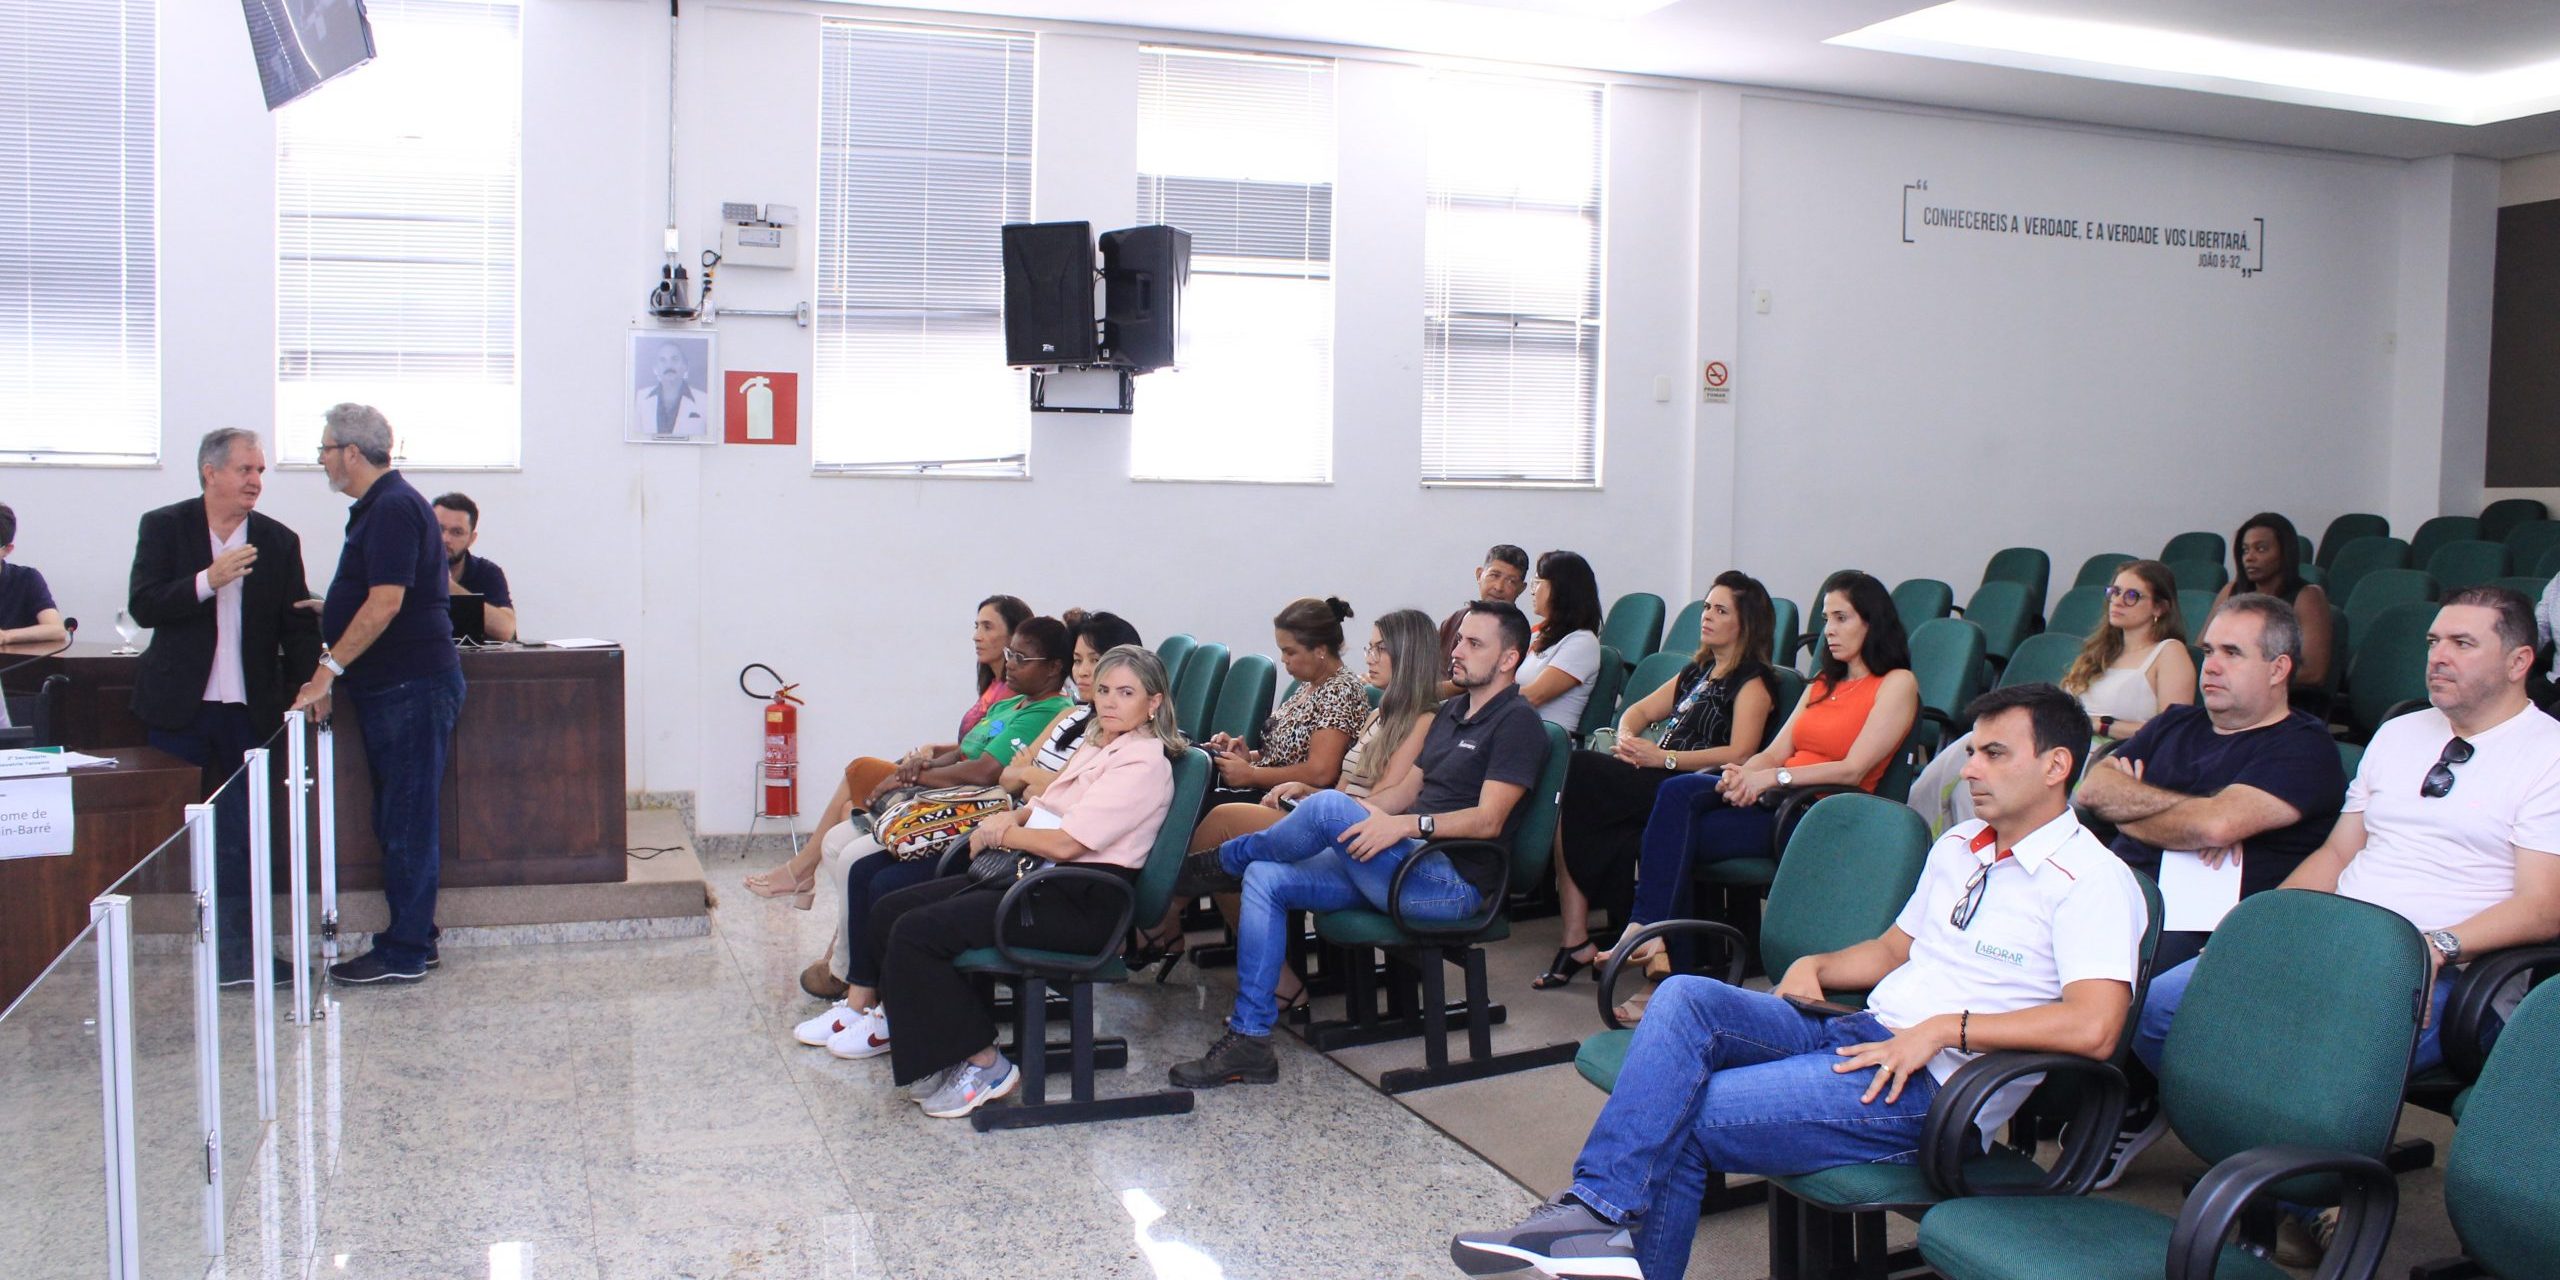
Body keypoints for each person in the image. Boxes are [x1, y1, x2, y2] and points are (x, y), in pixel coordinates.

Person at [1451, 683, 2146, 1280]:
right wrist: (1818, 967)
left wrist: (1943, 1030)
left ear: (2056, 766)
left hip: (1935, 1092)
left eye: (1994, 754)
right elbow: (1893, 950)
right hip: (1864, 1034)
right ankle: (1598, 1216)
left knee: (1684, 1114)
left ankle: (1599, 1223)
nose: (1970, 769)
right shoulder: (1962, 846)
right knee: (1687, 997)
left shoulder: (2093, 881)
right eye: (1972, 752)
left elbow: (2096, 1026)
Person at [2134, 587, 2560, 1265]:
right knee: (2162, 1009)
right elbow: (2337, 854)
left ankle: (2296, 1188)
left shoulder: (2548, 754)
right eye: (2433, 642)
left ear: (2518, 661)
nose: (2438, 656)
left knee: (2299, 1048)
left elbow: (2543, 907)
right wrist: (2259, 929)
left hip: (2451, 971)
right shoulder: (2400, 732)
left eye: (2462, 643)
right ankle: (2305, 1189)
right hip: (2337, 941)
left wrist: (2434, 947)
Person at [1167, 600, 1552, 1089]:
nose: (1457, 651)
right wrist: (1362, 814)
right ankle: (1251, 1038)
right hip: (1402, 865)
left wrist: (1403, 827)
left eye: (1474, 644)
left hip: (1450, 884)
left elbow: (1488, 820)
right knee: (1266, 876)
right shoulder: (1453, 712)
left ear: (1509, 659)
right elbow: (1401, 793)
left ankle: (1218, 863)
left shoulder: (1517, 722)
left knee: (1325, 809)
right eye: (1459, 640)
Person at [2071, 594, 2346, 1189]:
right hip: (2120, 890)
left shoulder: (2304, 747)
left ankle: (2139, 1098)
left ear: (2278, 668)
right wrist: (2186, 820)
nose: (2211, 666)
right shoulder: (2176, 723)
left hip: (2208, 925)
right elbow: (2092, 790)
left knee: (2129, 974)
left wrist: (2140, 810)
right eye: (2208, 651)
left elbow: (2216, 826)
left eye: (2232, 653)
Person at [857, 644, 1185, 1118]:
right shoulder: (1101, 742)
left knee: (916, 932)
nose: (1110, 701)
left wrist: (1003, 832)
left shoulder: (1143, 764)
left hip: (1081, 903)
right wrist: (1012, 818)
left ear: (1153, 702)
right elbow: (1048, 804)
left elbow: (1069, 843)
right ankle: (948, 1050)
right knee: (891, 910)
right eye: (1105, 690)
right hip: (1040, 880)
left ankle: (984, 1064)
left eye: (1126, 693)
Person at [792, 613, 1130, 1059]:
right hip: (1014, 837)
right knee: (872, 876)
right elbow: (1014, 778)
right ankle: (864, 1001)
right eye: (1080, 661)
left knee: (891, 893)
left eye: (1096, 663)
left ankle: (934, 1034)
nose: (1085, 673)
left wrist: (1028, 788)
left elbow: (1045, 793)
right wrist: (1032, 784)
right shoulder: (1074, 721)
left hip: (1038, 867)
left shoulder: (1119, 747)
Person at [1604, 571, 1919, 990]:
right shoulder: (1823, 683)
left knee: (1673, 835)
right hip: (1776, 797)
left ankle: (1662, 954)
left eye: (1841, 618)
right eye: (1826, 619)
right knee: (1676, 795)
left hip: (1818, 813)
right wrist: (1742, 775)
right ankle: (1654, 938)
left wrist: (1773, 777)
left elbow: (1853, 769)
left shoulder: (1897, 683)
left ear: (1872, 621)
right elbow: (1774, 751)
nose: (1829, 630)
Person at [1142, 608, 1446, 999]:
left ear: (1408, 654)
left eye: (1380, 649)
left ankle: (1164, 917)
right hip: (1329, 817)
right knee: (1226, 841)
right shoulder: (1380, 713)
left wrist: (1302, 791)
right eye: (1369, 648)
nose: (1369, 657)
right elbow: (1342, 785)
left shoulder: (1423, 721)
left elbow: (1381, 802)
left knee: (1222, 824)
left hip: (1362, 838)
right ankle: (1260, 971)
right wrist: (1301, 791)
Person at [125, 429, 324, 985]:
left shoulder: (278, 541)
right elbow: (143, 605)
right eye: (245, 469)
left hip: (247, 712)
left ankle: (240, 959)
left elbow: (296, 626)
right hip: (178, 709)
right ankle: (170, 950)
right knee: (173, 836)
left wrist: (315, 684)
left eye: (260, 471)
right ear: (210, 472)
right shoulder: (164, 526)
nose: (256, 481)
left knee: (243, 836)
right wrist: (205, 582)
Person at [798, 616, 1074, 996]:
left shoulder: (1047, 711)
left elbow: (986, 773)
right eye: (1010, 654)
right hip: (948, 804)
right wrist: (917, 768)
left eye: (1021, 658)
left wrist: (914, 777)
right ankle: (850, 969)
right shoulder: (1012, 703)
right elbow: (965, 752)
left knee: (861, 863)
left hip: (970, 819)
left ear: (1054, 668)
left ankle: (859, 981)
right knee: (837, 844)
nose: (1010, 663)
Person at [290, 404, 466, 985]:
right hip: (397, 685)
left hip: (410, 685)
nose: (322, 460)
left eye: (325, 449)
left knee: (406, 819)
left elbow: (387, 603)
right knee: (398, 816)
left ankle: (405, 951)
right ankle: (418, 937)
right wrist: (334, 611)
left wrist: (326, 671)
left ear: (351, 452)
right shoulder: (384, 505)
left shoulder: (391, 506)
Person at [1537, 571, 1778, 990]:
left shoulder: (1752, 681)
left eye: (1721, 611)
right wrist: (1628, 739)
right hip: (1656, 775)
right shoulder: (1698, 671)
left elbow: (1741, 753)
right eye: (1707, 606)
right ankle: (1582, 937)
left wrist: (1663, 758)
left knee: (1580, 775)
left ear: (1747, 624)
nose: (1707, 616)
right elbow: (1637, 711)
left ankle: (1589, 937)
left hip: (1698, 786)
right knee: (1576, 782)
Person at [743, 593, 1030, 910]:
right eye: (976, 626)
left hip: (955, 787)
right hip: (945, 772)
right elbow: (973, 743)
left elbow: (984, 758)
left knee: (858, 770)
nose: (976, 636)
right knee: (849, 810)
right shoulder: (993, 685)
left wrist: (923, 769)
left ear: (1014, 636)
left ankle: (800, 871)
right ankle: (828, 906)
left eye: (987, 627)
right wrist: (933, 750)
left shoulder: (1015, 693)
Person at [1131, 597, 1373, 965]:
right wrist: (1249, 755)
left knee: (1213, 822)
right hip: (1270, 792)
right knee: (1193, 812)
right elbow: (1286, 753)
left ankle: (1162, 920)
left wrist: (1253, 774)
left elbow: (1321, 772)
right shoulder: (1309, 687)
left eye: (1290, 652)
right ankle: (1173, 927)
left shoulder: (1341, 691)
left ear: (1320, 650)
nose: (1284, 660)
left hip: (1304, 807)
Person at [1911, 559, 2196, 833]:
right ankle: (1927, 834)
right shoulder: (2099, 652)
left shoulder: (2168, 652)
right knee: (1971, 749)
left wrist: (2100, 724)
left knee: (1995, 773)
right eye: (2114, 592)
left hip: (2105, 756)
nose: (2118, 601)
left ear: (2159, 607)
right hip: (2065, 740)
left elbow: (2171, 732)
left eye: (2132, 596)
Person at [2211, 512, 2334, 696]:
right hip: (2229, 694)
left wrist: (2246, 679)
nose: (2249, 557)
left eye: (2261, 549)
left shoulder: (2308, 596)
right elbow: (2202, 649)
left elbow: (2314, 673)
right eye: (2245, 550)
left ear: (2285, 553)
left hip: (2285, 700)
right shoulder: (2231, 591)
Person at [1514, 550, 1606, 733]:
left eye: (1537, 582)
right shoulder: (1539, 635)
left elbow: (1533, 696)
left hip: (1542, 738)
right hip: (1516, 728)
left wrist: (1485, 697)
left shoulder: (1582, 642)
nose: (1532, 591)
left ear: (1560, 589)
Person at [1440, 545, 1528, 696]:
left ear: (1521, 588)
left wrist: (1416, 693)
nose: (1499, 587)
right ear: (1479, 574)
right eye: (1494, 575)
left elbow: (1467, 683)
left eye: (1511, 581)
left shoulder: (1513, 630)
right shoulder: (1456, 619)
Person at [430, 493, 516, 642]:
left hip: (473, 656)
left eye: (457, 532)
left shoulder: (487, 572)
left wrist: (449, 586)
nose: (445, 539)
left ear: (471, 539)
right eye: (439, 529)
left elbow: (506, 630)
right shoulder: (409, 569)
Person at [0, 503, 69, 647]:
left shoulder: (27, 579)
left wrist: (6, 636)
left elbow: (56, 630)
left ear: (7, 550)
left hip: (14, 660)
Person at [635, 340, 710, 437]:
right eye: (662, 360)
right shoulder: (641, 397)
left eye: (675, 359)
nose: (669, 365)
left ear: (685, 366)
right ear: (655, 368)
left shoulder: (704, 400)